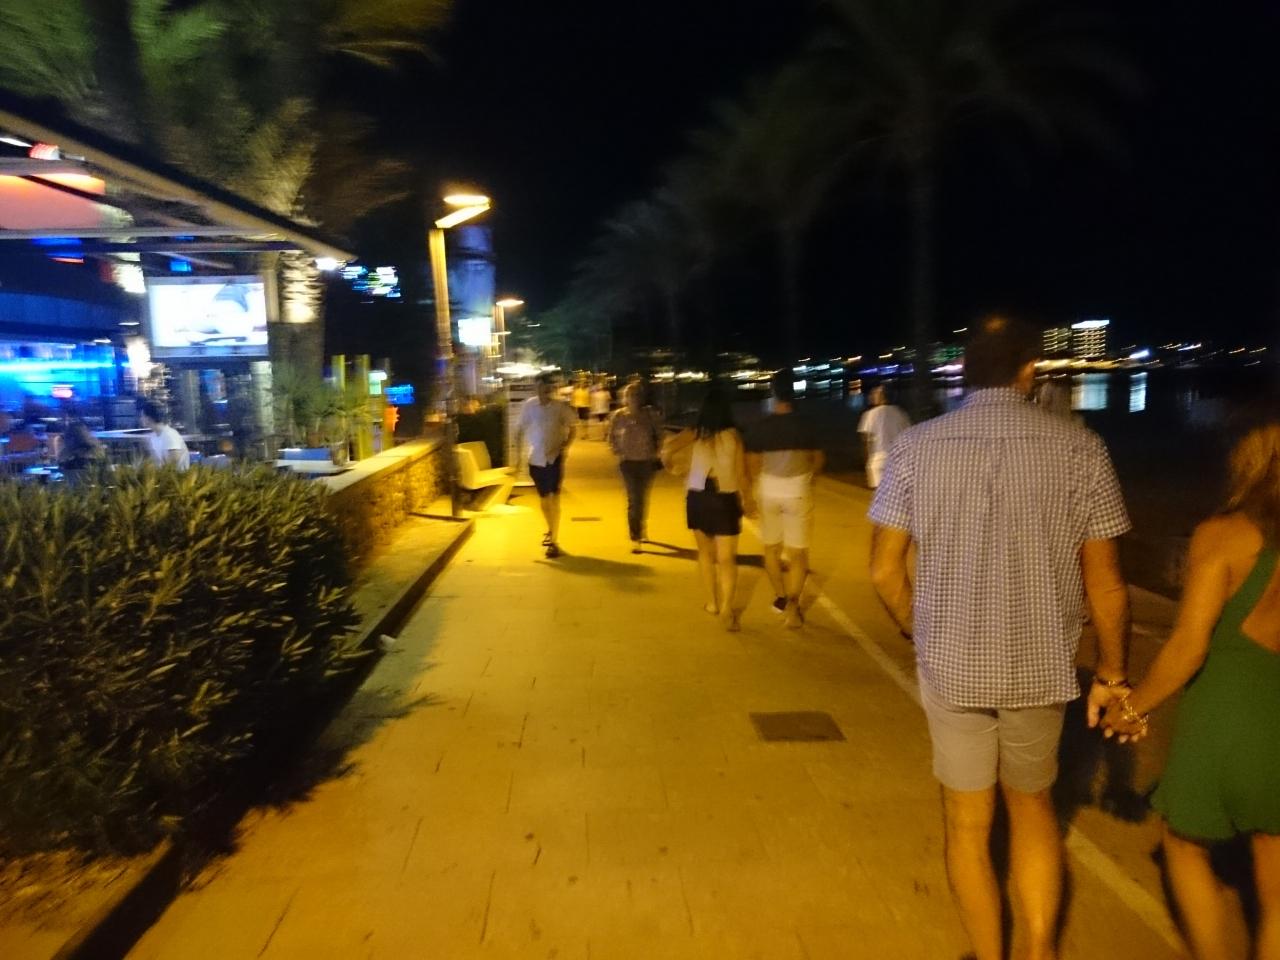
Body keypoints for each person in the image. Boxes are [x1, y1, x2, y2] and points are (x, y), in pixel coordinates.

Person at [868, 315, 1133, 960]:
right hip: (1041, 667)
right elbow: (1106, 583)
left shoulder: (916, 447)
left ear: (965, 372)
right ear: (1028, 369)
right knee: (1034, 807)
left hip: (951, 667)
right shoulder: (1082, 448)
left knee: (967, 824)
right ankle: (1040, 949)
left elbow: (883, 570)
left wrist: (918, 629)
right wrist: (1112, 675)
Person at [1102, 418, 1280, 960]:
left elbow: (1188, 646)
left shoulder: (1224, 535)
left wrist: (1132, 708)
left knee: (1183, 844)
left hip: (1226, 719)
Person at [744, 369, 825, 628]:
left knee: (771, 549)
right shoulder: (807, 424)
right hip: (798, 490)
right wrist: (809, 478)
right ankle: (793, 607)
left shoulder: (761, 426)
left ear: (774, 393)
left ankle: (780, 595)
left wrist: (752, 492)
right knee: (798, 553)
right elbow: (818, 459)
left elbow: (752, 463)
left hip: (768, 489)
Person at [685, 387, 755, 632]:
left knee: (705, 554)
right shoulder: (734, 436)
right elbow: (742, 475)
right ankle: (727, 608)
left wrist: (673, 464)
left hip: (697, 496)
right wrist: (749, 501)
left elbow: (670, 452)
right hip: (725, 498)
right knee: (726, 558)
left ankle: (712, 603)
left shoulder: (696, 434)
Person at [515, 373, 576, 559]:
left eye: (546, 387)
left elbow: (573, 426)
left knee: (554, 498)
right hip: (535, 460)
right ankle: (550, 529)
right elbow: (519, 430)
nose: (544, 390)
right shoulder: (529, 406)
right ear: (536, 388)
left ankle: (554, 540)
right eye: (540, 386)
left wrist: (566, 445)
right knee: (543, 499)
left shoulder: (559, 407)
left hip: (554, 458)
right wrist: (518, 458)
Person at [607, 382, 663, 552]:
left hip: (646, 462)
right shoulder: (619, 416)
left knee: (642, 497)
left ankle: (641, 527)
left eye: (636, 395)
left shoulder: (649, 415)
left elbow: (659, 434)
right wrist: (617, 450)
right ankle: (635, 536)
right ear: (625, 398)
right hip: (627, 463)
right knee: (633, 498)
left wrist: (656, 452)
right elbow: (611, 437)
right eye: (630, 395)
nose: (633, 398)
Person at [857, 385, 910, 489]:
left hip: (878, 459)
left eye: (874, 394)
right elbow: (908, 436)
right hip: (898, 459)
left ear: (882, 397)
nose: (872, 397)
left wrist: (867, 462)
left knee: (880, 494)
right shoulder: (901, 414)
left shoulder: (870, 415)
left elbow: (866, 441)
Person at [138, 400, 191, 471]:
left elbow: (173, 464)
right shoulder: (154, 436)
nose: (141, 419)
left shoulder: (170, 435)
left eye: (142, 416)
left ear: (149, 418)